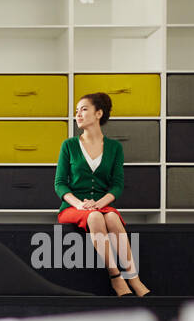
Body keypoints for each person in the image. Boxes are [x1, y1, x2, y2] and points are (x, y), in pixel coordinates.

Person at [54, 92, 150, 297]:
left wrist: (98, 203)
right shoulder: (69, 146)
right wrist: (80, 205)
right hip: (73, 207)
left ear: (99, 113)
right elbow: (60, 184)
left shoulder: (115, 148)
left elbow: (117, 185)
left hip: (100, 204)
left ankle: (134, 279)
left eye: (84, 109)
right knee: (96, 217)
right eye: (77, 111)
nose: (78, 114)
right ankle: (116, 278)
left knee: (113, 217)